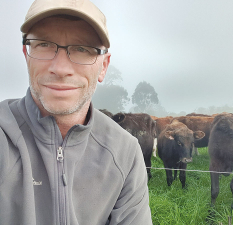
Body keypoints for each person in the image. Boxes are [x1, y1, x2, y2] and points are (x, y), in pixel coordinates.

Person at [0, 0, 153, 224]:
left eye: (82, 49)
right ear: (26, 54)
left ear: (103, 66)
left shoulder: (125, 153)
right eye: (43, 44)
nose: (61, 68)